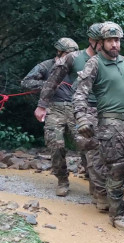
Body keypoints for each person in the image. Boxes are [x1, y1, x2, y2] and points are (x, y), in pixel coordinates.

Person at [73, 22, 124, 233]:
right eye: (110, 40)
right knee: (116, 170)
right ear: (102, 42)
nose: (114, 44)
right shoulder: (94, 63)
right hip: (109, 124)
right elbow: (80, 93)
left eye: (117, 40)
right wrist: (82, 119)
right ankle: (117, 214)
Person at [36, 23, 108, 209]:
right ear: (92, 41)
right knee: (56, 144)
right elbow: (52, 81)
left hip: (97, 110)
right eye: (101, 41)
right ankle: (62, 180)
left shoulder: (108, 60)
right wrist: (42, 105)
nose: (105, 45)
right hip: (70, 108)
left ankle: (96, 187)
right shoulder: (73, 58)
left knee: (91, 149)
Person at [22, 38, 79, 197]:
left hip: (77, 109)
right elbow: (26, 82)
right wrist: (49, 84)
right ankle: (62, 180)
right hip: (54, 108)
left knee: (86, 143)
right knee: (56, 144)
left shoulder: (78, 67)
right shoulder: (46, 66)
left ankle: (94, 181)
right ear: (59, 52)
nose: (71, 57)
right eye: (68, 54)